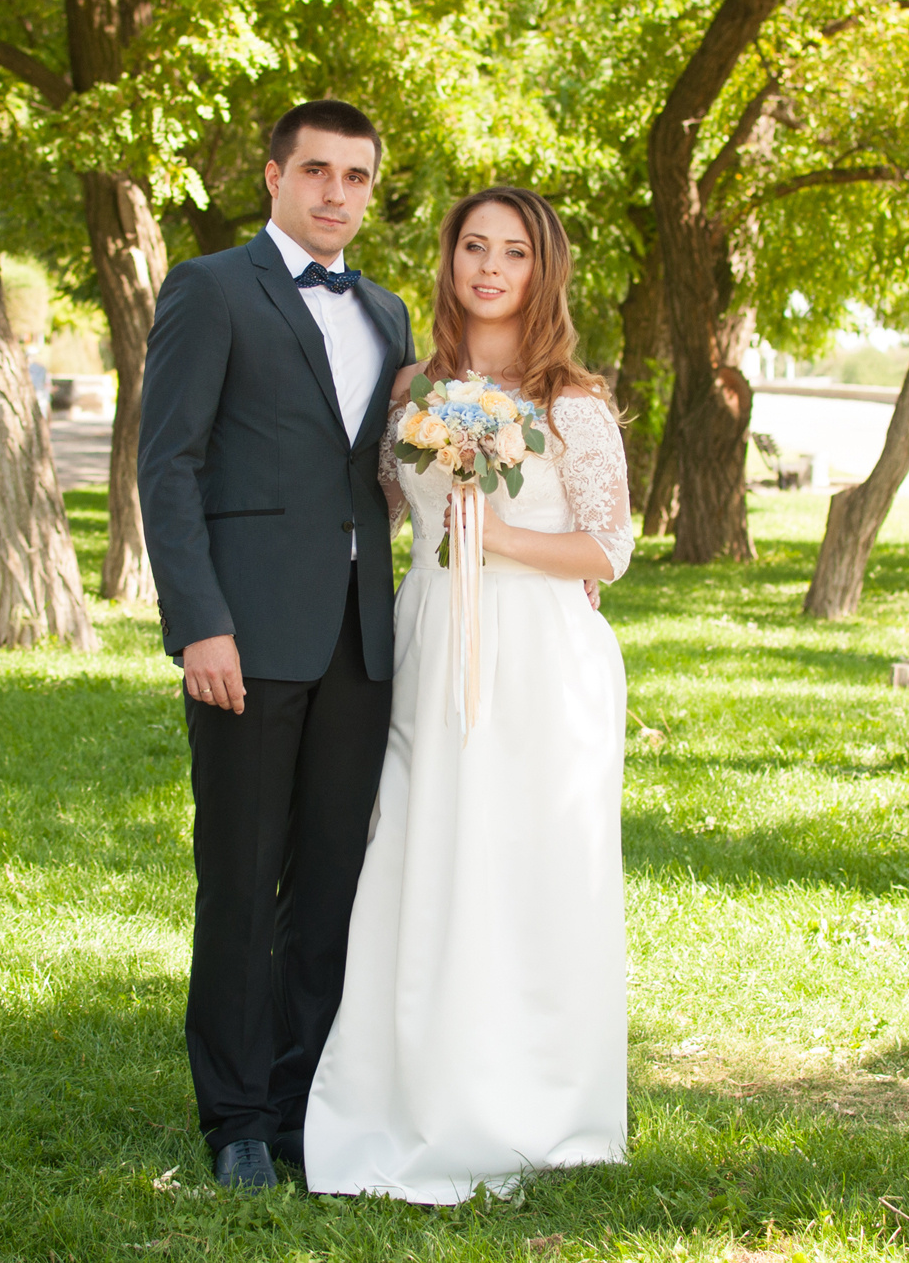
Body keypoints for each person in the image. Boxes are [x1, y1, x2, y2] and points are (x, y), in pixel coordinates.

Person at [304, 186, 633, 1203]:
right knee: (420, 851)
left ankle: (540, 1101)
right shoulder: (414, 390)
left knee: (531, 866)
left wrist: (501, 542)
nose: (490, 267)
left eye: (515, 252)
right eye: (473, 248)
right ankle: (411, 1088)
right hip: (431, 636)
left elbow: (608, 547)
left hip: (540, 654)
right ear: (449, 261)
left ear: (544, 271)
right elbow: (387, 500)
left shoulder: (572, 400)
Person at [137, 99, 418, 1191]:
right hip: (245, 637)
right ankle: (238, 1117)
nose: (336, 193)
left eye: (356, 176)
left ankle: (308, 1099)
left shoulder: (389, 313)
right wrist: (200, 620)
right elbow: (168, 466)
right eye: (317, 171)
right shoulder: (212, 290)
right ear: (273, 176)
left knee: (333, 882)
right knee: (242, 879)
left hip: (360, 639)